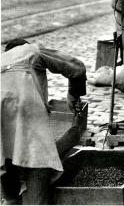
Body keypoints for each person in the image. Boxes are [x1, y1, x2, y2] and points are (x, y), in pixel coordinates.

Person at [1, 39, 87, 205]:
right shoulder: (32, 50)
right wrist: (73, 96)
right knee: (37, 160)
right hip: (26, 109)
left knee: (4, 160)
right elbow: (77, 68)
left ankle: (10, 200)